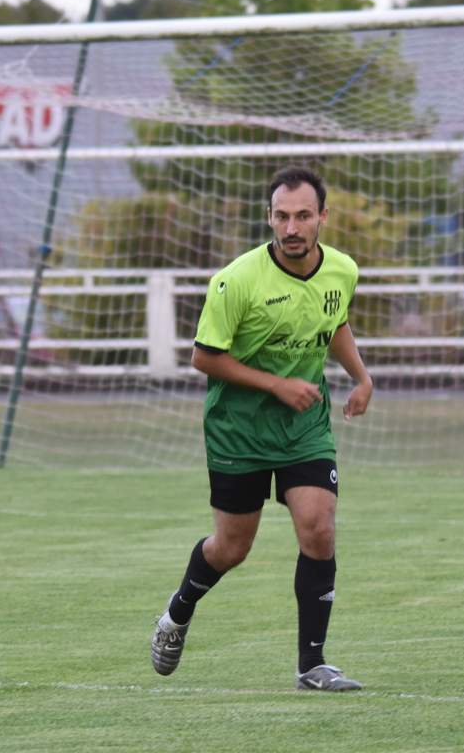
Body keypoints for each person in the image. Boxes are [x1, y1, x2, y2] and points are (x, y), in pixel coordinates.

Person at [150, 165, 373, 691]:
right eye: (281, 217)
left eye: (302, 216)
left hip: (303, 426)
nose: (291, 227)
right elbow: (205, 358)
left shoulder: (343, 270)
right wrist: (275, 384)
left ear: (322, 217)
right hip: (238, 431)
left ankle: (312, 664)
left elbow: (334, 320)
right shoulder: (237, 280)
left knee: (318, 528)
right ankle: (177, 613)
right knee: (232, 548)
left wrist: (360, 376)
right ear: (268, 218)